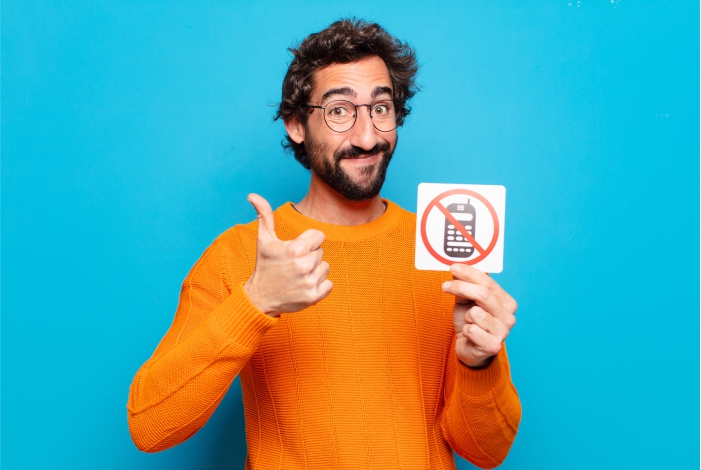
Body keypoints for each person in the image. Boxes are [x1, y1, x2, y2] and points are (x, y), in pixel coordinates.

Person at [127, 18, 521, 470]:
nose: (367, 136)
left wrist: (477, 364)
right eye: (339, 111)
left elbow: (487, 452)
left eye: (381, 108)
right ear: (296, 124)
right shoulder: (242, 254)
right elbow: (150, 425)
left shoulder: (443, 248)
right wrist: (255, 302)